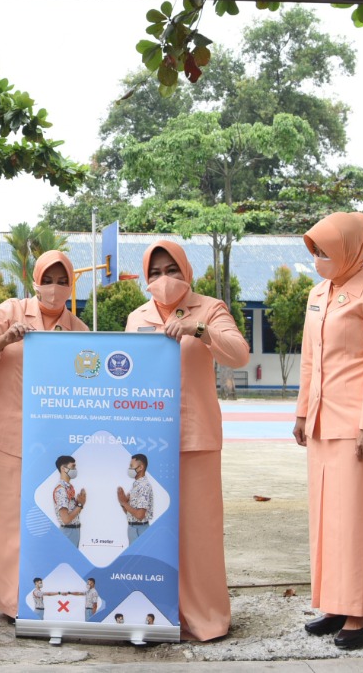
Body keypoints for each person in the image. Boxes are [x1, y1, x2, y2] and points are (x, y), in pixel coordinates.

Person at [125, 239, 250, 642]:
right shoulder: (137, 317)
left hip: (195, 437)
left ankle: (206, 616)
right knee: (148, 528)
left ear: (186, 271)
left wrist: (201, 329)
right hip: (146, 441)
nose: (165, 280)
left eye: (172, 270)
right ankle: (158, 613)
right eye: (156, 273)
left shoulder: (210, 308)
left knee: (199, 531)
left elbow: (239, 354)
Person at [293, 212, 363, 651]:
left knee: (357, 521)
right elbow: (309, 359)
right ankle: (335, 603)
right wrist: (302, 413)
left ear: (352, 249)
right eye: (315, 251)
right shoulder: (319, 294)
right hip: (321, 421)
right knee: (327, 521)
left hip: (359, 425)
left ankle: (362, 613)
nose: (318, 259)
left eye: (325, 251)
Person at [0, 249, 88, 620]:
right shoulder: (9, 311)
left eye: (61, 280)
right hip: (4, 435)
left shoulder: (79, 330)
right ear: (35, 281)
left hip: (54, 442)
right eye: (47, 280)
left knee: (49, 520)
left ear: (71, 284)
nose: (54, 288)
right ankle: (11, 602)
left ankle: (49, 596)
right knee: (6, 521)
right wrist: (3, 340)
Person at [117, 452, 153, 543]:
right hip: (133, 528)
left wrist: (124, 503)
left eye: (131, 466)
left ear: (141, 468)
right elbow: (130, 514)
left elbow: (140, 515)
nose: (129, 469)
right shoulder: (136, 485)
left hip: (140, 529)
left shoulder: (143, 486)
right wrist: (123, 503)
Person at [51, 455, 86, 549]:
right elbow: (66, 520)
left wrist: (79, 504)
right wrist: (80, 505)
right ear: (63, 468)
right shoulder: (61, 490)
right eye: (73, 466)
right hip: (68, 532)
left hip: (74, 531)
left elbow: (72, 513)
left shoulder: (68, 487)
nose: (75, 469)